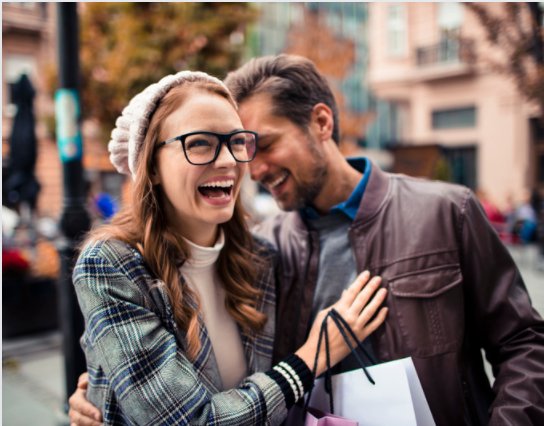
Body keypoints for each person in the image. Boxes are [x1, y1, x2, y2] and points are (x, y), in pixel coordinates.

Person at [70, 55, 544, 425]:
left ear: (321, 122)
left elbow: (524, 343)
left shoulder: (447, 211)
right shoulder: (268, 246)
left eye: (260, 143)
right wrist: (106, 390)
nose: (250, 167)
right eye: (243, 147)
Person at [69, 70, 388, 426]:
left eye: (237, 142)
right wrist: (312, 357)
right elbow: (189, 421)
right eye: (200, 143)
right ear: (152, 166)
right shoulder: (113, 265)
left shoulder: (260, 259)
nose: (229, 161)